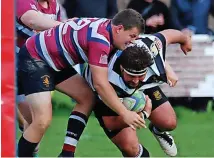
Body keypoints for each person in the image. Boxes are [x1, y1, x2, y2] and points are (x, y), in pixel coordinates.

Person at [17, 9, 145, 157]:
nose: (133, 41)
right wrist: (125, 113)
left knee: (87, 97)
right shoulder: (100, 40)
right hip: (35, 58)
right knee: (41, 121)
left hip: (53, 60)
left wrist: (165, 68)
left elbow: (151, 42)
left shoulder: (108, 28)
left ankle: (67, 154)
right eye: (132, 36)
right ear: (119, 28)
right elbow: (100, 84)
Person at [81, 29, 192, 157]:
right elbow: (111, 123)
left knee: (169, 122)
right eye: (131, 76)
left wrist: (185, 40)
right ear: (122, 68)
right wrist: (144, 114)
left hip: (141, 87)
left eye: (140, 75)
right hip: (113, 95)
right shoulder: (105, 82)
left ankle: (158, 131)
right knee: (131, 149)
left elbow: (168, 36)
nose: (135, 81)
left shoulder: (148, 47)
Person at [16, 0, 62, 156]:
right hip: (10, 66)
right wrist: (63, 27)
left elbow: (55, 34)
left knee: (37, 123)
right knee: (36, 122)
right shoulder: (23, 1)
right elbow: (32, 20)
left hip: (33, 69)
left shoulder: (55, 6)